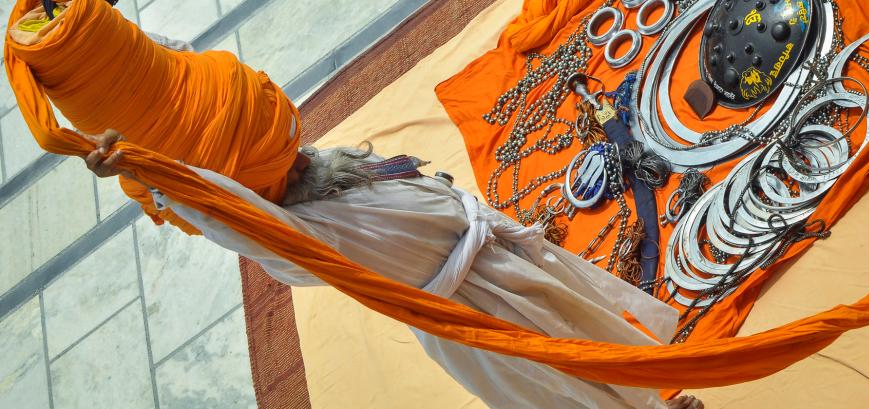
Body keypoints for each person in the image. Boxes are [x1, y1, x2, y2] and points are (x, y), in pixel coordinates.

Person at [81, 129, 704, 409]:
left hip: (499, 259)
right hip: (471, 312)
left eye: (291, 151)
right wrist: (154, 175)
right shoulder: (302, 237)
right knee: (558, 386)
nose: (299, 157)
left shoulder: (322, 169)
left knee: (587, 338)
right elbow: (232, 214)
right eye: (284, 165)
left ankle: (649, 405)